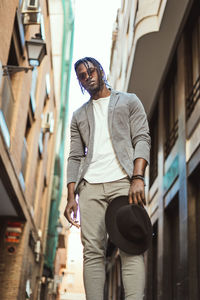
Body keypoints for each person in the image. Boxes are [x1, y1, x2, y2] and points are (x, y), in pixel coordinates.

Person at [64, 57, 151, 300]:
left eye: (91, 70)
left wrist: (137, 177)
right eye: (82, 75)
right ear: (80, 82)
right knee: (92, 251)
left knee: (130, 246)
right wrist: (72, 196)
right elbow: (73, 157)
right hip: (90, 187)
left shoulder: (129, 101)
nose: (88, 76)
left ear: (100, 70)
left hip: (124, 182)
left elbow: (142, 138)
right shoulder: (78, 116)